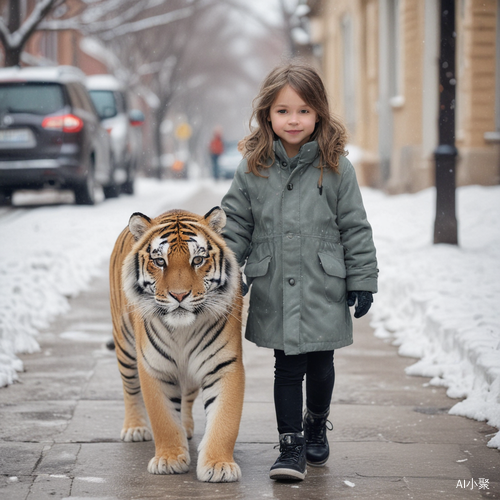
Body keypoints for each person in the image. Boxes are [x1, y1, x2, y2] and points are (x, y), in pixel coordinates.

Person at [221, 62, 378, 482]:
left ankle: (315, 422)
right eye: (283, 111)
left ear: (319, 114)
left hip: (323, 283)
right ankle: (290, 446)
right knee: (287, 367)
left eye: (304, 111)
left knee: (321, 363)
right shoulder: (253, 166)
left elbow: (355, 226)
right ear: (267, 115)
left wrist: (363, 279)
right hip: (275, 283)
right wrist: (227, 272)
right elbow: (235, 224)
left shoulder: (336, 167)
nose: (294, 120)